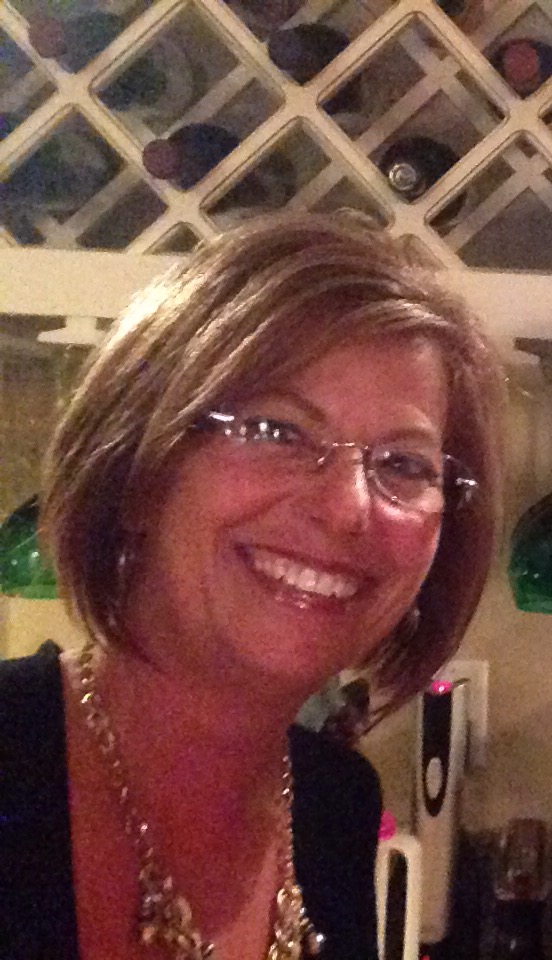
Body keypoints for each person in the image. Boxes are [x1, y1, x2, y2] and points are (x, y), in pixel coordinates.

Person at [0, 214, 504, 960]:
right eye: (276, 431)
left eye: (403, 465)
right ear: (136, 471)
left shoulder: (336, 807)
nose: (347, 509)